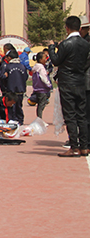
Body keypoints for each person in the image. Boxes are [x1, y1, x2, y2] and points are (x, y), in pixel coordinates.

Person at [48, 15, 90, 157]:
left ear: (67, 28)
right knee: (82, 115)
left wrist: (51, 48)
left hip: (67, 82)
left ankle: (74, 147)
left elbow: (56, 61)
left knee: (70, 115)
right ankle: (84, 146)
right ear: (79, 27)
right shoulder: (85, 44)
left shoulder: (66, 44)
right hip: (80, 81)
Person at [2, 49, 28, 125]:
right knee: (19, 106)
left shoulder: (8, 67)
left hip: (11, 90)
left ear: (10, 58)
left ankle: (12, 121)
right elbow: (25, 77)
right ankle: (20, 121)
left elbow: (4, 79)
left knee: (11, 107)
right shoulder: (22, 66)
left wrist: (4, 88)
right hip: (20, 90)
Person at [31, 51, 52, 120]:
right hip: (42, 89)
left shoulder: (35, 67)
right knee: (42, 104)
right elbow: (43, 77)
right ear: (40, 60)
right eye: (44, 58)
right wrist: (49, 84)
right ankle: (39, 119)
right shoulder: (41, 68)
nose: (46, 60)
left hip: (37, 88)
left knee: (40, 104)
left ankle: (39, 118)